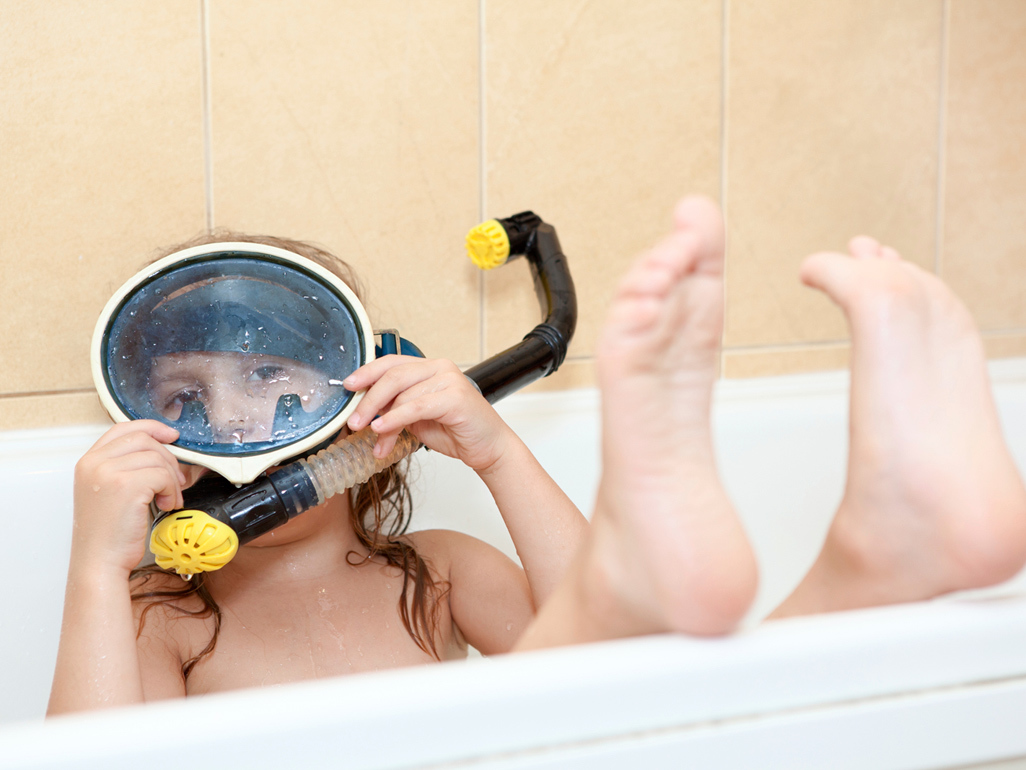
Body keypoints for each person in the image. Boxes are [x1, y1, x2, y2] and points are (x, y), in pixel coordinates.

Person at [48, 233, 589, 713]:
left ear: (365, 395)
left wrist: (499, 456)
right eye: (185, 396)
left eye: (266, 372)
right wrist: (97, 567)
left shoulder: (443, 575)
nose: (229, 417)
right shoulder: (162, 618)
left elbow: (613, 672)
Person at [514, 195, 1026, 650]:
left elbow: (516, 707)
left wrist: (496, 450)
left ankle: (616, 591)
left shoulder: (453, 569)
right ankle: (871, 563)